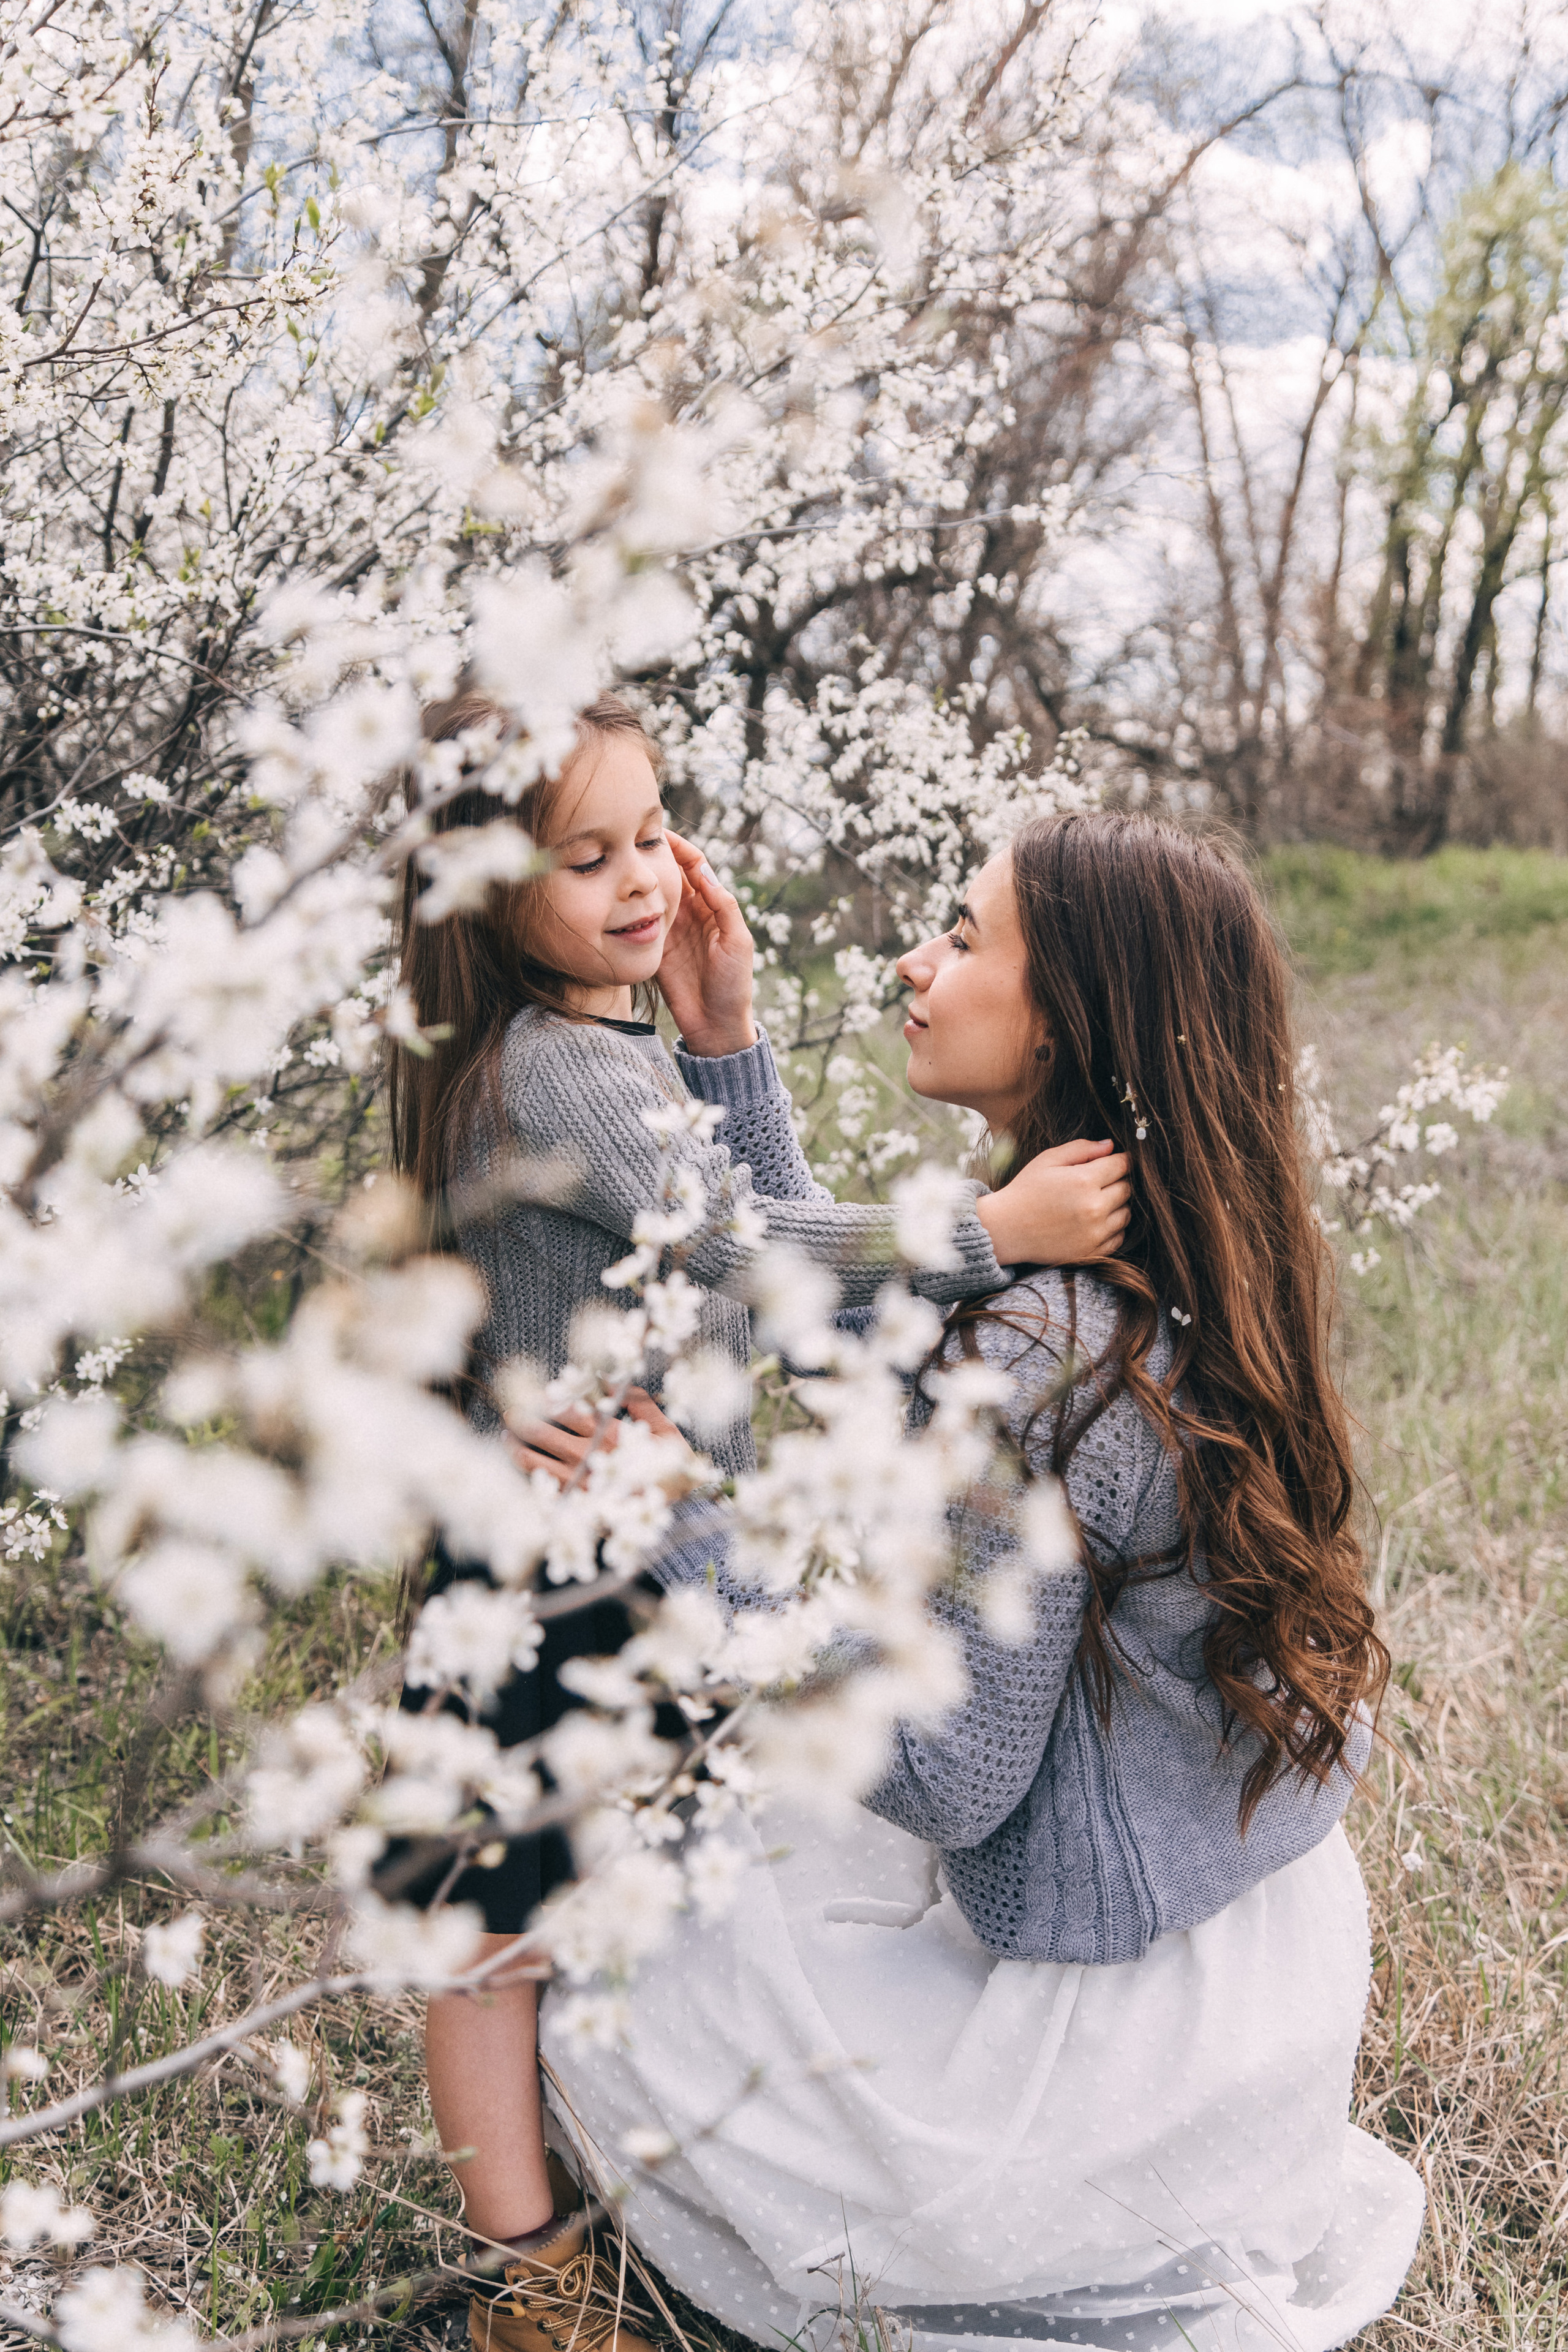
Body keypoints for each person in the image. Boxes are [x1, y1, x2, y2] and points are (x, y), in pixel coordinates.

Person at [517, 811, 1427, 2352]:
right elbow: (854, 1327)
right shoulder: (1164, 1245)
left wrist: (682, 1532)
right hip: (1250, 1957)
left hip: (1100, 2045)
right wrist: (725, 1048)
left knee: (616, 1969)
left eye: (961, 935)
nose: (910, 962)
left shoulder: (1040, 1359)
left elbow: (944, 1774)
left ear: (1068, 1013)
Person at [387, 693, 1133, 2352]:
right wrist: (988, 1227)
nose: (643, 880)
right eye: (587, 859)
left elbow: (724, 1218)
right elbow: (750, 1245)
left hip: (633, 1544)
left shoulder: (603, 1051)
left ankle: (605, 2174)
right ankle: (529, 2275)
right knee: (489, 1916)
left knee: (587, 1886)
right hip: (551, 1562)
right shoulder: (563, 1067)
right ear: (480, 894)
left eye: (654, 834)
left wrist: (725, 1034)